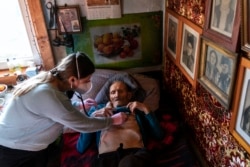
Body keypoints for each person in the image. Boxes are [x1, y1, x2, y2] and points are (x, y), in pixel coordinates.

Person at [0, 52, 127, 167]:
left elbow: (55, 108)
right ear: (72, 79)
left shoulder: (50, 83)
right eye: (86, 80)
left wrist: (78, 105)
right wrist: (112, 120)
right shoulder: (47, 94)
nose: (89, 83)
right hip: (14, 149)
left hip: (29, 144)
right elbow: (84, 125)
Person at [77, 80, 164, 167]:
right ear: (110, 97)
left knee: (128, 163)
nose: (117, 95)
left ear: (129, 95)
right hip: (106, 159)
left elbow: (159, 135)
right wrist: (92, 117)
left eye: (121, 91)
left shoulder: (137, 109)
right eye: (113, 92)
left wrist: (146, 109)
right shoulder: (97, 110)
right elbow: (81, 147)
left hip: (134, 155)